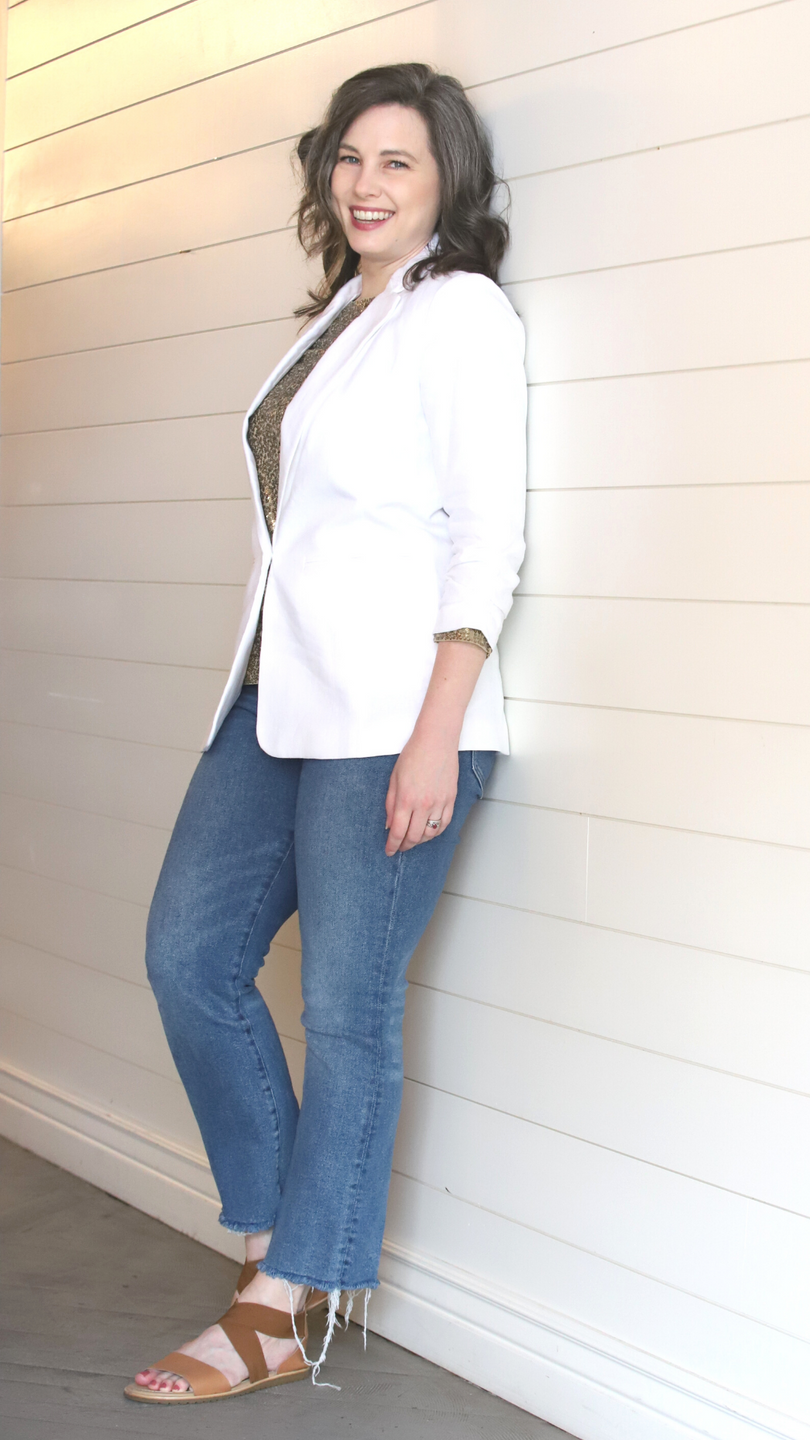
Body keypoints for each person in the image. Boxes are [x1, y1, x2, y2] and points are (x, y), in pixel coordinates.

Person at [125, 61, 526, 1405]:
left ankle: (286, 1301)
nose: (365, 183)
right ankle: (274, 1249)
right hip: (272, 697)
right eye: (349, 157)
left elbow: (488, 532)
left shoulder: (457, 311)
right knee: (189, 958)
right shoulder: (340, 317)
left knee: (348, 1014)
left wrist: (437, 730)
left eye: (397, 161)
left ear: (447, 180)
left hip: (388, 716)